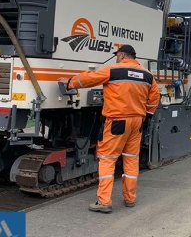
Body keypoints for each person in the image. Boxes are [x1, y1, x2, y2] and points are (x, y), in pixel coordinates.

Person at [58, 44, 160, 213]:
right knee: (131, 159)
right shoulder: (148, 75)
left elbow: (89, 79)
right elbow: (154, 97)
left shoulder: (113, 70)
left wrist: (70, 83)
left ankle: (104, 201)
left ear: (121, 55)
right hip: (137, 122)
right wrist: (147, 116)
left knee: (107, 158)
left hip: (117, 121)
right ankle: (130, 198)